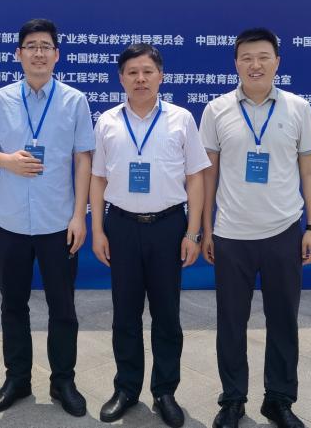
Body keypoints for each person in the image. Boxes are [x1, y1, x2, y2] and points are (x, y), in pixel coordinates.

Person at [199, 28, 311, 428]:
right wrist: (206, 229)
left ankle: (279, 399)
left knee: (283, 321)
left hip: (283, 232)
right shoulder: (216, 110)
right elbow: (207, 173)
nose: (255, 65)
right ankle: (233, 400)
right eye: (247, 58)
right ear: (236, 63)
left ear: (277, 62)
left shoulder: (298, 108)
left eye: (263, 57)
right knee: (230, 323)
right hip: (231, 235)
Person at [0, 18, 94, 417]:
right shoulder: (0, 99)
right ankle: (17, 380)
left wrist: (80, 216)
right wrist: (6, 160)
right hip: (9, 222)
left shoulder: (74, 101)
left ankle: (63, 382)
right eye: (31, 46)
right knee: (13, 304)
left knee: (63, 308)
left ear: (57, 55)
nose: (38, 53)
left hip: (59, 224)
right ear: (18, 54)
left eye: (45, 46)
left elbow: (83, 159)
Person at [89, 44, 210, 427]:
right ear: (121, 78)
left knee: (166, 314)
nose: (140, 79)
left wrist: (193, 232)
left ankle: (165, 391)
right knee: (124, 313)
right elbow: (98, 178)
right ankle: (126, 388)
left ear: (161, 76)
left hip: (169, 227)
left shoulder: (181, 119)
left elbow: (196, 177)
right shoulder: (107, 122)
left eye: (147, 71)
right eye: (132, 72)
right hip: (121, 226)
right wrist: (97, 229)